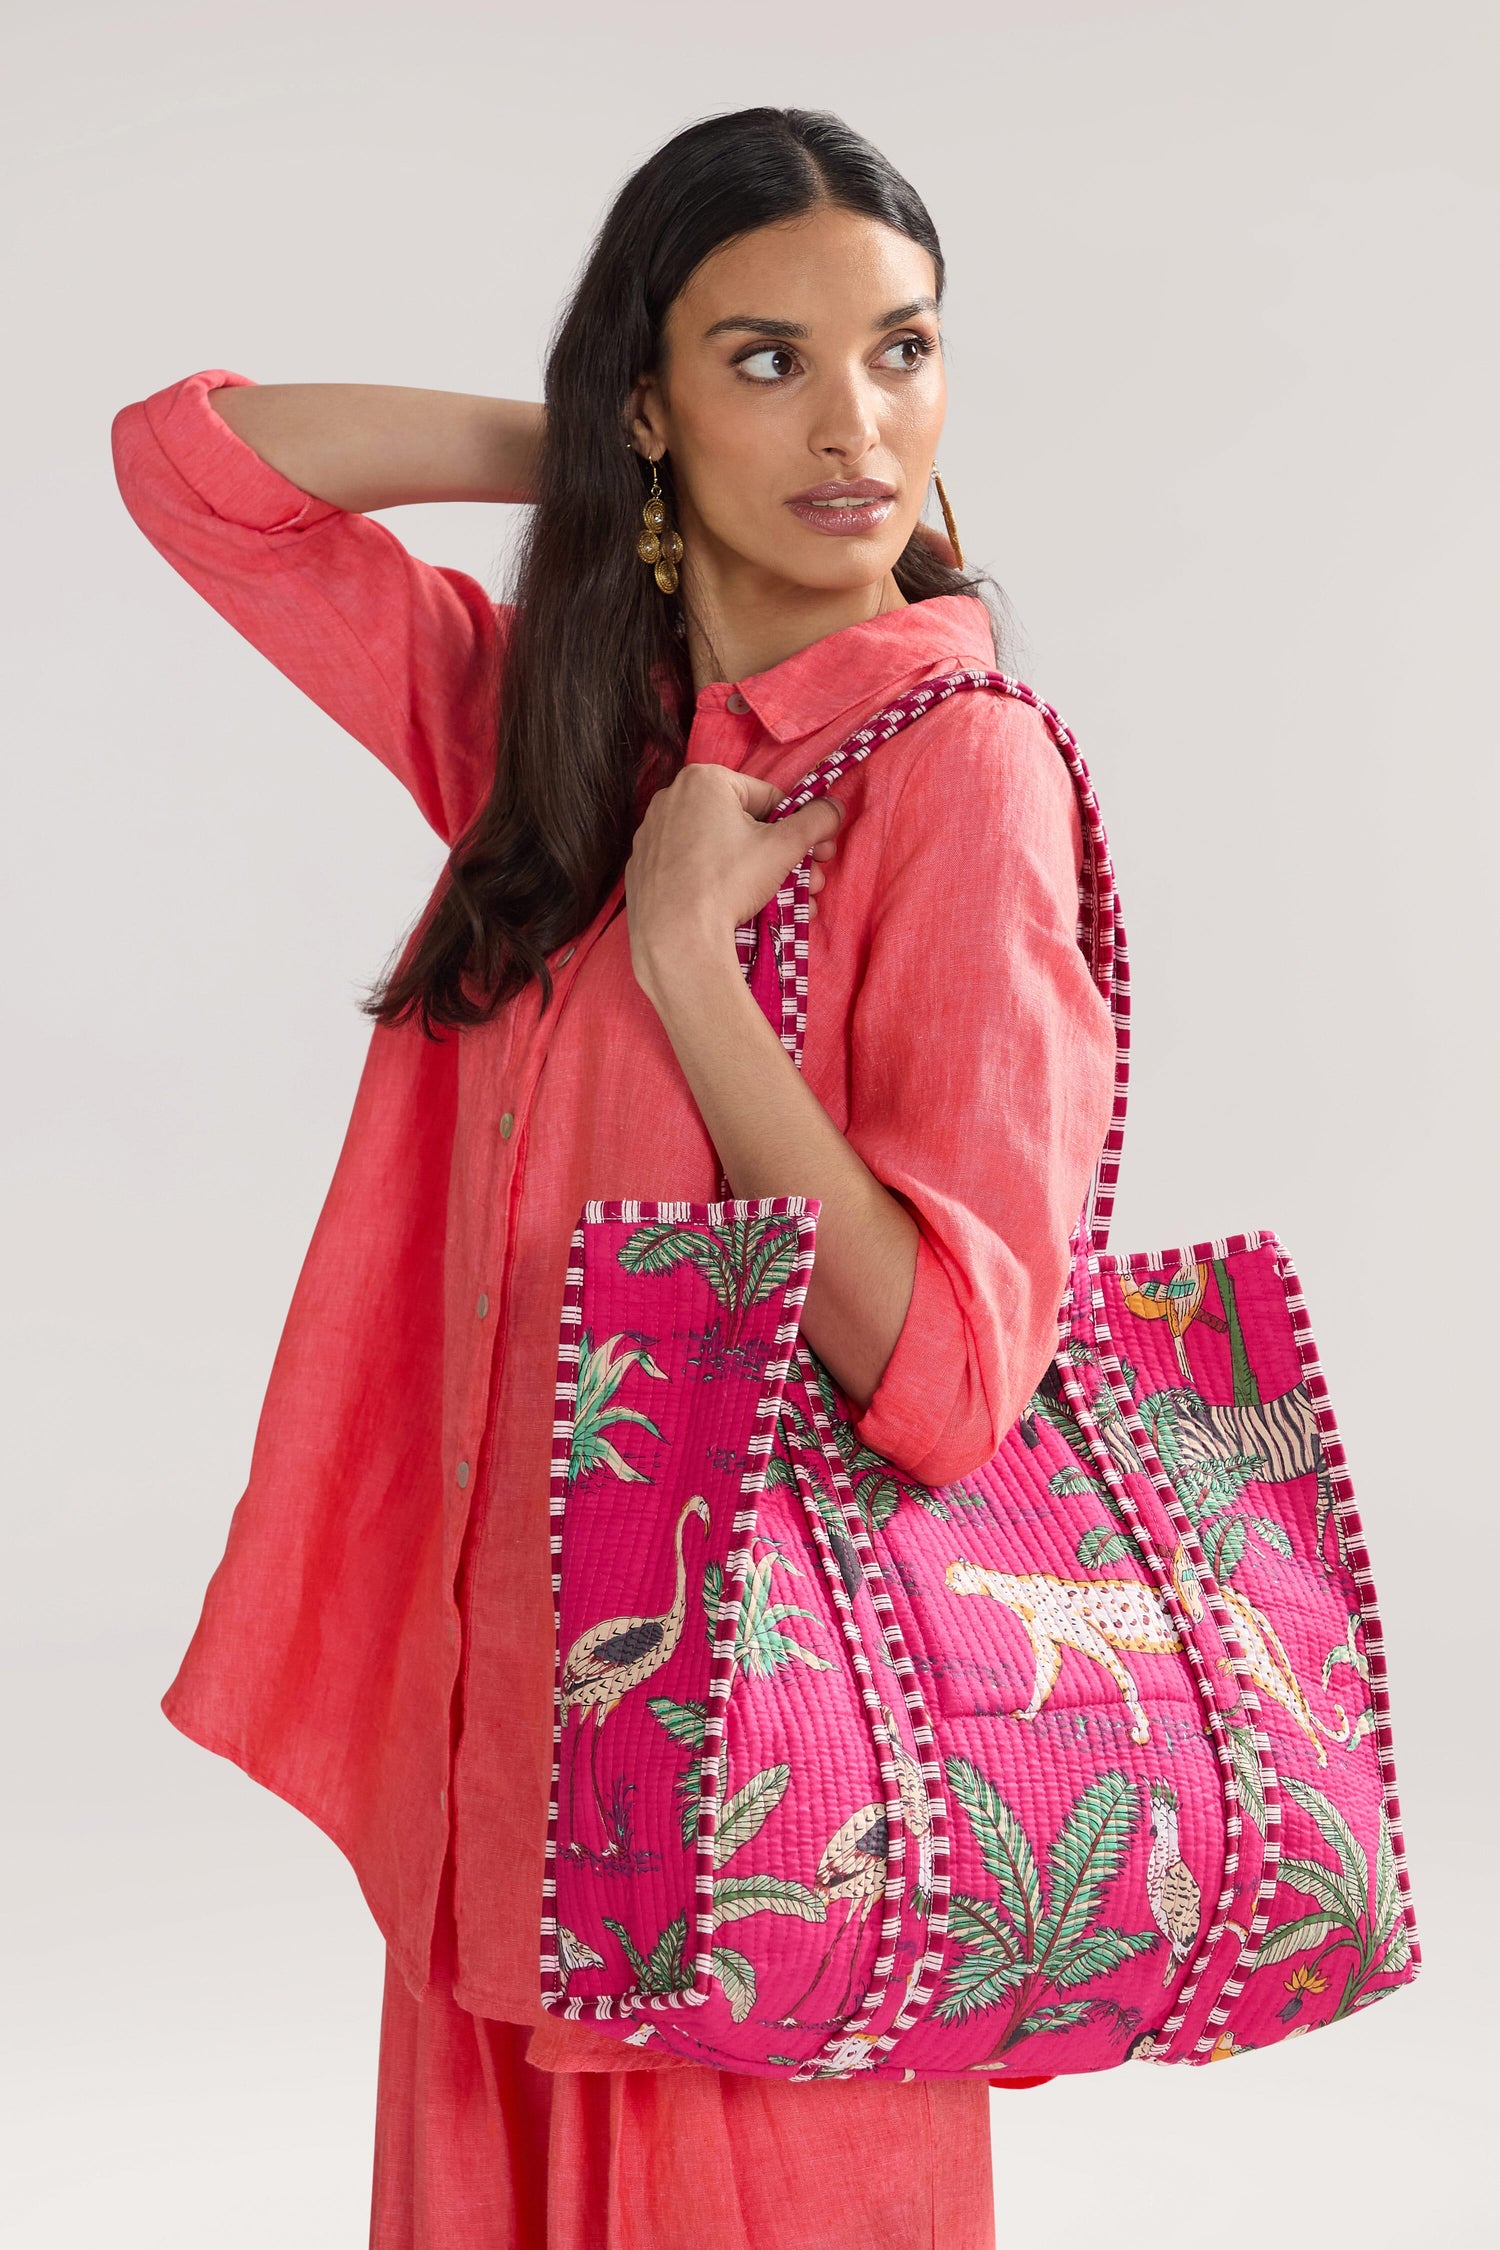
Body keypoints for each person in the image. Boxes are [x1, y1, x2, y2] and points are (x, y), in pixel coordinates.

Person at [112, 104, 1117, 2250]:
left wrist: (689, 965)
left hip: (768, 1802)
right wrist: (588, 441)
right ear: (651, 402)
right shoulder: (562, 737)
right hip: (508, 1776)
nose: (858, 425)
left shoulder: (962, 775)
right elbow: (196, 469)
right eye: (769, 360)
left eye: (903, 352)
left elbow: (950, 1374)